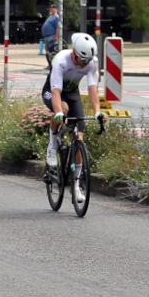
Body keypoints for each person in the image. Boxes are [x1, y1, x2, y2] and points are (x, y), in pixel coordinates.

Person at [43, 33, 107, 204]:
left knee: (79, 139)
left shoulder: (91, 61)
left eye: (89, 61)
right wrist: (58, 113)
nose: (87, 64)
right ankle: (52, 145)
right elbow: (56, 91)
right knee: (62, 109)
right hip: (53, 91)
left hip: (72, 93)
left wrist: (97, 112)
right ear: (75, 54)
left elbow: (93, 89)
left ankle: (76, 186)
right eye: (84, 60)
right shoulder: (61, 60)